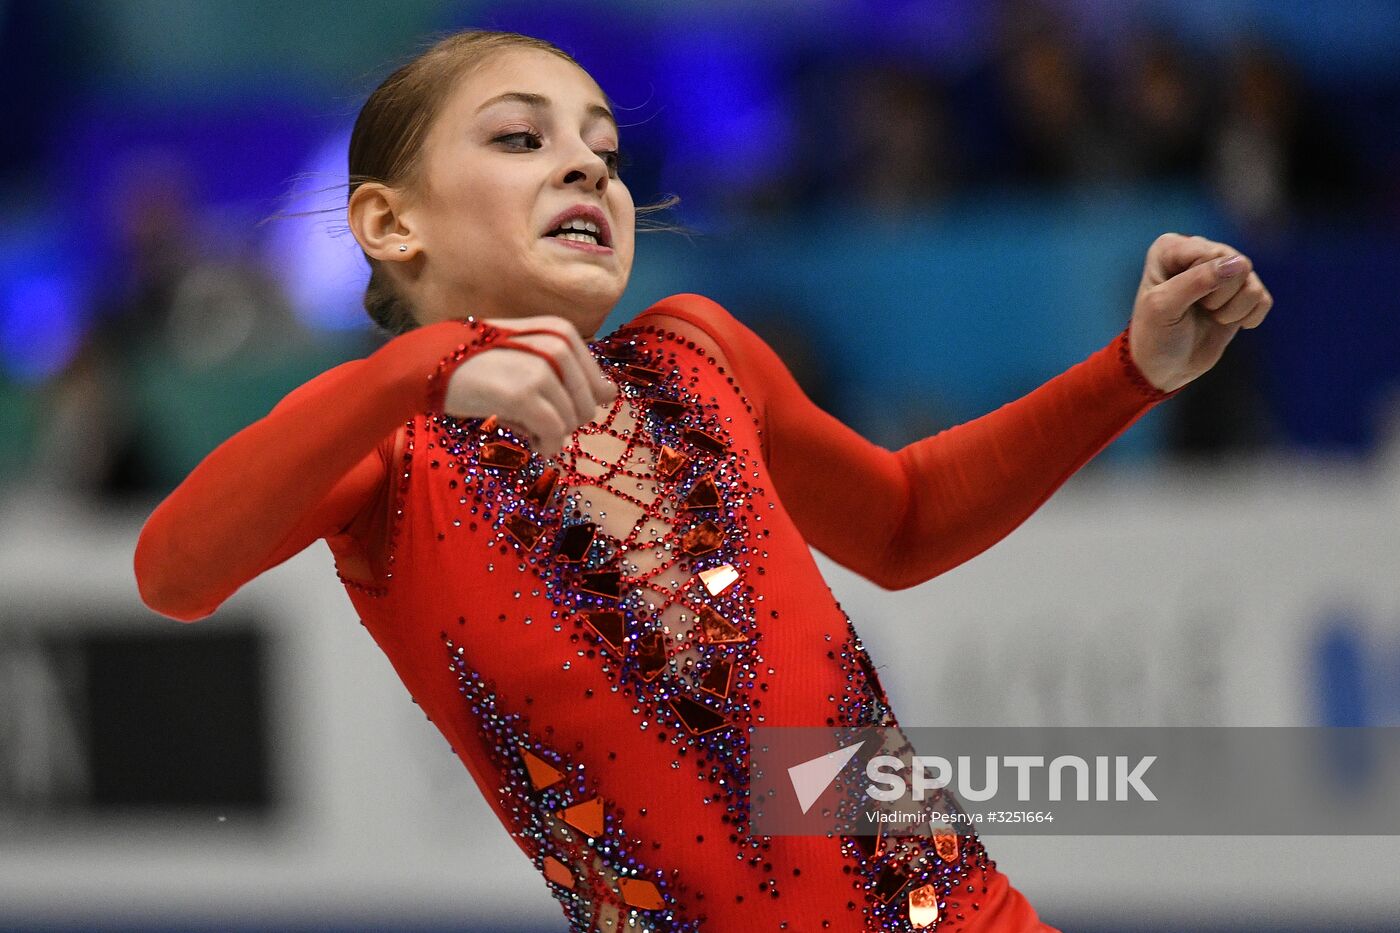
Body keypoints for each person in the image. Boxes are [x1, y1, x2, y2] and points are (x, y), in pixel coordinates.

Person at [133, 29, 1273, 933]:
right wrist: (419, 371)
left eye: (603, 150)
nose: (586, 162)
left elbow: (904, 522)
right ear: (389, 223)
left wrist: (1129, 374)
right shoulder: (382, 453)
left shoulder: (698, 353)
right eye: (521, 139)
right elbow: (174, 572)